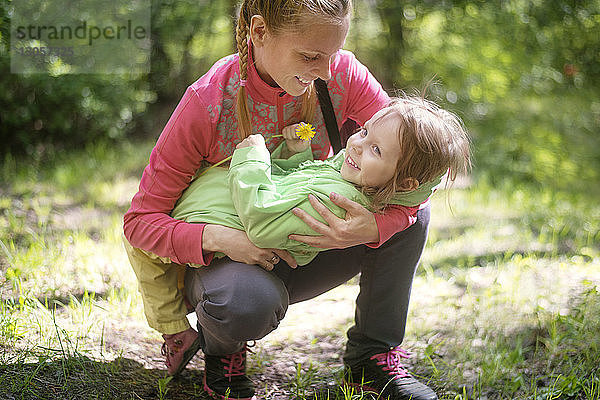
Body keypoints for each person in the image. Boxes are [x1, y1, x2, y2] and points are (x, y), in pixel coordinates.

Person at [123, 1, 468, 399]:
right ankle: (225, 354)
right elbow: (139, 223)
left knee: (412, 217)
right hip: (232, 262)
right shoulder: (208, 101)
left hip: (308, 241)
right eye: (310, 56)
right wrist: (223, 240)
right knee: (243, 302)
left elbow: (418, 169)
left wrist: (375, 226)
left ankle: (372, 358)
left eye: (332, 55)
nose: (324, 72)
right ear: (259, 33)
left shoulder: (343, 75)